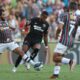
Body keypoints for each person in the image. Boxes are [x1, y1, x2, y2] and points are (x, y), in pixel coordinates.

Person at [0, 6, 42, 71]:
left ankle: (33, 64)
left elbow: (7, 25)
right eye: (3, 15)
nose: (5, 16)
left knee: (21, 52)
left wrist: (12, 27)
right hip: (1, 43)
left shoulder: (5, 21)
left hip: (10, 42)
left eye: (5, 14)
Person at [50, 3, 79, 79]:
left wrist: (56, 34)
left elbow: (59, 28)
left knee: (54, 57)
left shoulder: (65, 15)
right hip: (70, 40)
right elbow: (76, 29)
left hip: (64, 40)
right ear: (76, 9)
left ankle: (71, 61)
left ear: (69, 7)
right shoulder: (78, 17)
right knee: (59, 57)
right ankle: (55, 74)